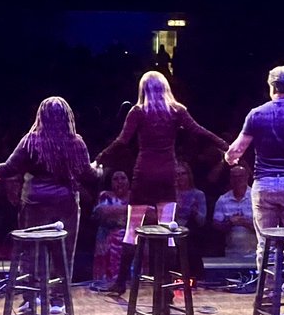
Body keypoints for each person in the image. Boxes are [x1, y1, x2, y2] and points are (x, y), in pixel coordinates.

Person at [95, 70, 228, 297]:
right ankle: (166, 286)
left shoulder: (138, 112)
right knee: (168, 230)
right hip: (166, 175)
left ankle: (119, 283)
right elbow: (198, 130)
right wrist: (224, 144)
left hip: (143, 174)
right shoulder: (177, 110)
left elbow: (122, 141)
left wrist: (99, 157)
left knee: (131, 231)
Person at [0, 97, 98, 303]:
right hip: (65, 204)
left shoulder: (31, 140)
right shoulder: (76, 143)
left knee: (31, 251)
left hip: (35, 203)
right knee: (63, 253)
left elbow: (7, 168)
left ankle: (31, 297)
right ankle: (58, 301)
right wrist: (99, 169)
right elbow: (89, 175)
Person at [224, 66, 284, 272]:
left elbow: (237, 150)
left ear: (271, 87)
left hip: (264, 185)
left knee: (265, 243)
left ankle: (268, 295)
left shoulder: (256, 114)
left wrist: (230, 159)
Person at [90, 171, 130, 291]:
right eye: (115, 179)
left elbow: (145, 214)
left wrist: (116, 212)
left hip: (129, 237)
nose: (119, 182)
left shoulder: (134, 196)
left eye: (123, 178)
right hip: (107, 238)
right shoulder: (105, 195)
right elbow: (101, 212)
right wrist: (127, 211)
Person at [212, 163, 258, 260]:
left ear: (247, 177)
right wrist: (231, 222)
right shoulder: (223, 199)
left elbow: (265, 226)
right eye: (234, 177)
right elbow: (216, 226)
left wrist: (245, 223)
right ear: (230, 179)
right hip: (231, 253)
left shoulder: (256, 197)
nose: (238, 180)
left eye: (240, 176)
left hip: (255, 252)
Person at [173, 160, 208, 284]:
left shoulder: (198, 194)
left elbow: (202, 221)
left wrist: (193, 210)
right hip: (173, 233)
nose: (180, 177)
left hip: (191, 235)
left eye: (183, 174)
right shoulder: (170, 195)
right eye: (177, 174)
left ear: (189, 175)